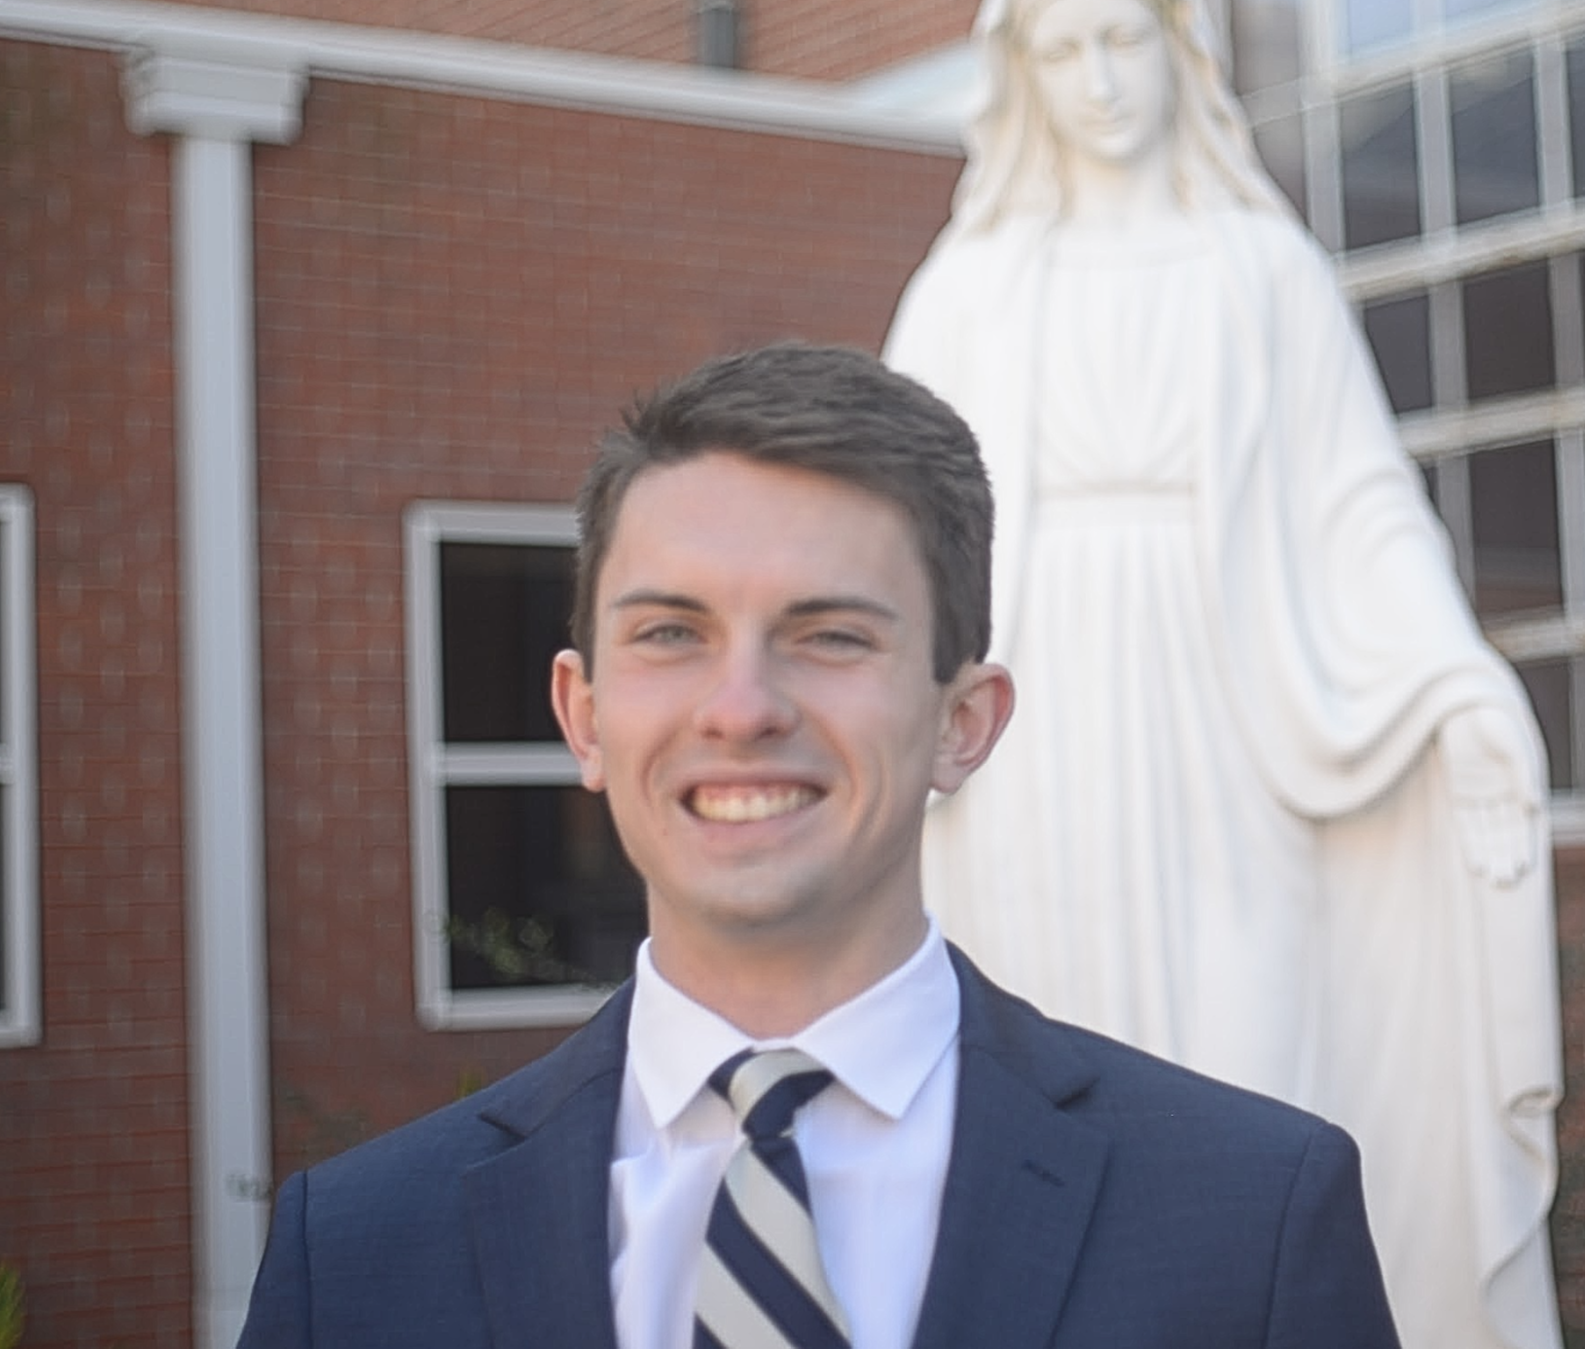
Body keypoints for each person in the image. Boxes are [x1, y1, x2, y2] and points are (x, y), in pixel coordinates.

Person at [236, 342, 1401, 1347]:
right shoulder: (354, 1253)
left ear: (962, 721)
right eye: (670, 632)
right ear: (584, 715)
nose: (741, 707)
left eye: (829, 633)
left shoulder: (1248, 1216)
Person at [881, 3, 1562, 1348]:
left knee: (1252, 1062)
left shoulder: (1259, 268)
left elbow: (1361, 504)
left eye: (1123, 42)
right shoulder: (971, 282)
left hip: (1230, 711)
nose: (1099, 81)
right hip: (1032, 727)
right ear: (1019, 76)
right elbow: (883, 529)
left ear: (1180, 55)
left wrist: (1461, 691)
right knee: (1036, 1058)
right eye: (1063, 52)